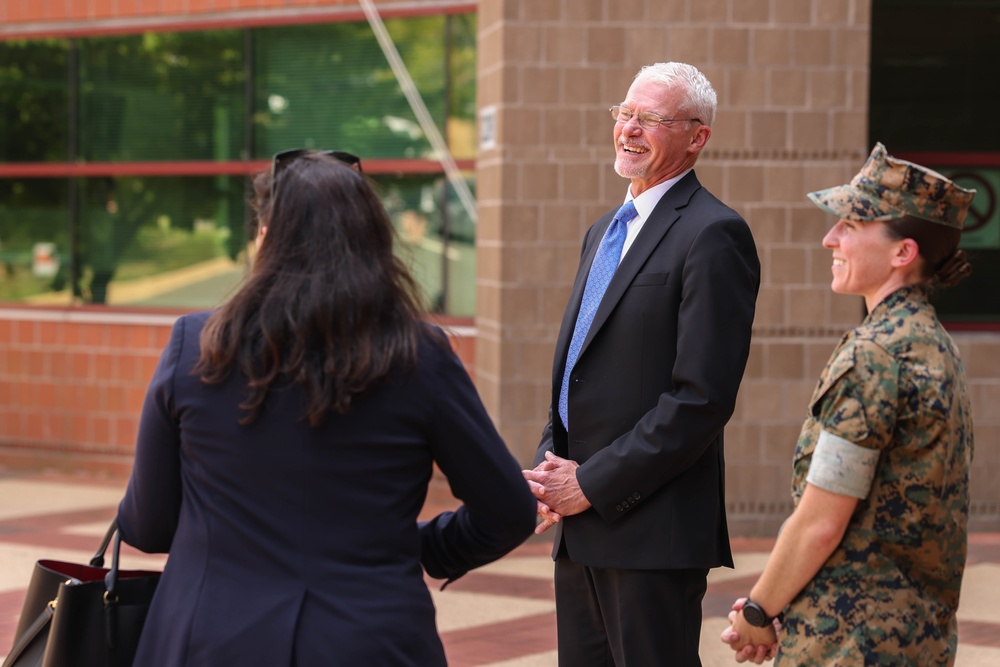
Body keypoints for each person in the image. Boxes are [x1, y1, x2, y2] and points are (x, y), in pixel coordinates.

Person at [116, 149, 537, 666]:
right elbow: (509, 511)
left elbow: (147, 527)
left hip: (210, 638)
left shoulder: (196, 344)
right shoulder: (419, 356)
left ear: (266, 240)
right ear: (373, 243)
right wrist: (419, 547)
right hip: (369, 638)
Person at [523, 62, 761, 666]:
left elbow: (701, 398)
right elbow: (580, 366)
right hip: (582, 531)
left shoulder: (714, 234)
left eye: (651, 119)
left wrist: (592, 485)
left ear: (697, 136)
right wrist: (552, 471)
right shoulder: (604, 230)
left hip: (652, 531)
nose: (630, 129)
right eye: (625, 113)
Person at [721, 142, 976, 665]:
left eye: (851, 226)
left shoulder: (873, 355)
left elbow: (820, 522)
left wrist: (758, 613)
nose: (829, 237)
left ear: (903, 252)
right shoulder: (936, 344)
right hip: (918, 641)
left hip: (846, 643)